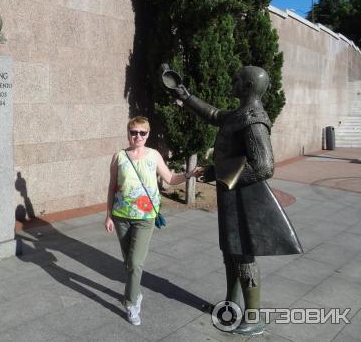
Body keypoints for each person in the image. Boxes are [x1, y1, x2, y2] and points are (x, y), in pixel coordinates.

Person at [165, 66, 302, 335]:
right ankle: (231, 303)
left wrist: (221, 173)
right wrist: (186, 95)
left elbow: (264, 167)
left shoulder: (254, 120)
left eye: (237, 79)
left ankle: (253, 317)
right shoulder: (240, 114)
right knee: (230, 252)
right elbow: (215, 114)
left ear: (248, 87)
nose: (232, 81)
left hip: (245, 199)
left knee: (243, 255)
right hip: (232, 195)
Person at [105, 116, 203, 325]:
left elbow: (170, 179)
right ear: (128, 133)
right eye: (133, 132)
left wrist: (188, 175)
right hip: (121, 216)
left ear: (147, 134)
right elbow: (112, 187)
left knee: (135, 262)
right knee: (128, 262)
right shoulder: (119, 156)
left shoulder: (153, 155)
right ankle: (136, 292)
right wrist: (108, 215)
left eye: (142, 133)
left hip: (145, 217)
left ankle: (131, 303)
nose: (137, 136)